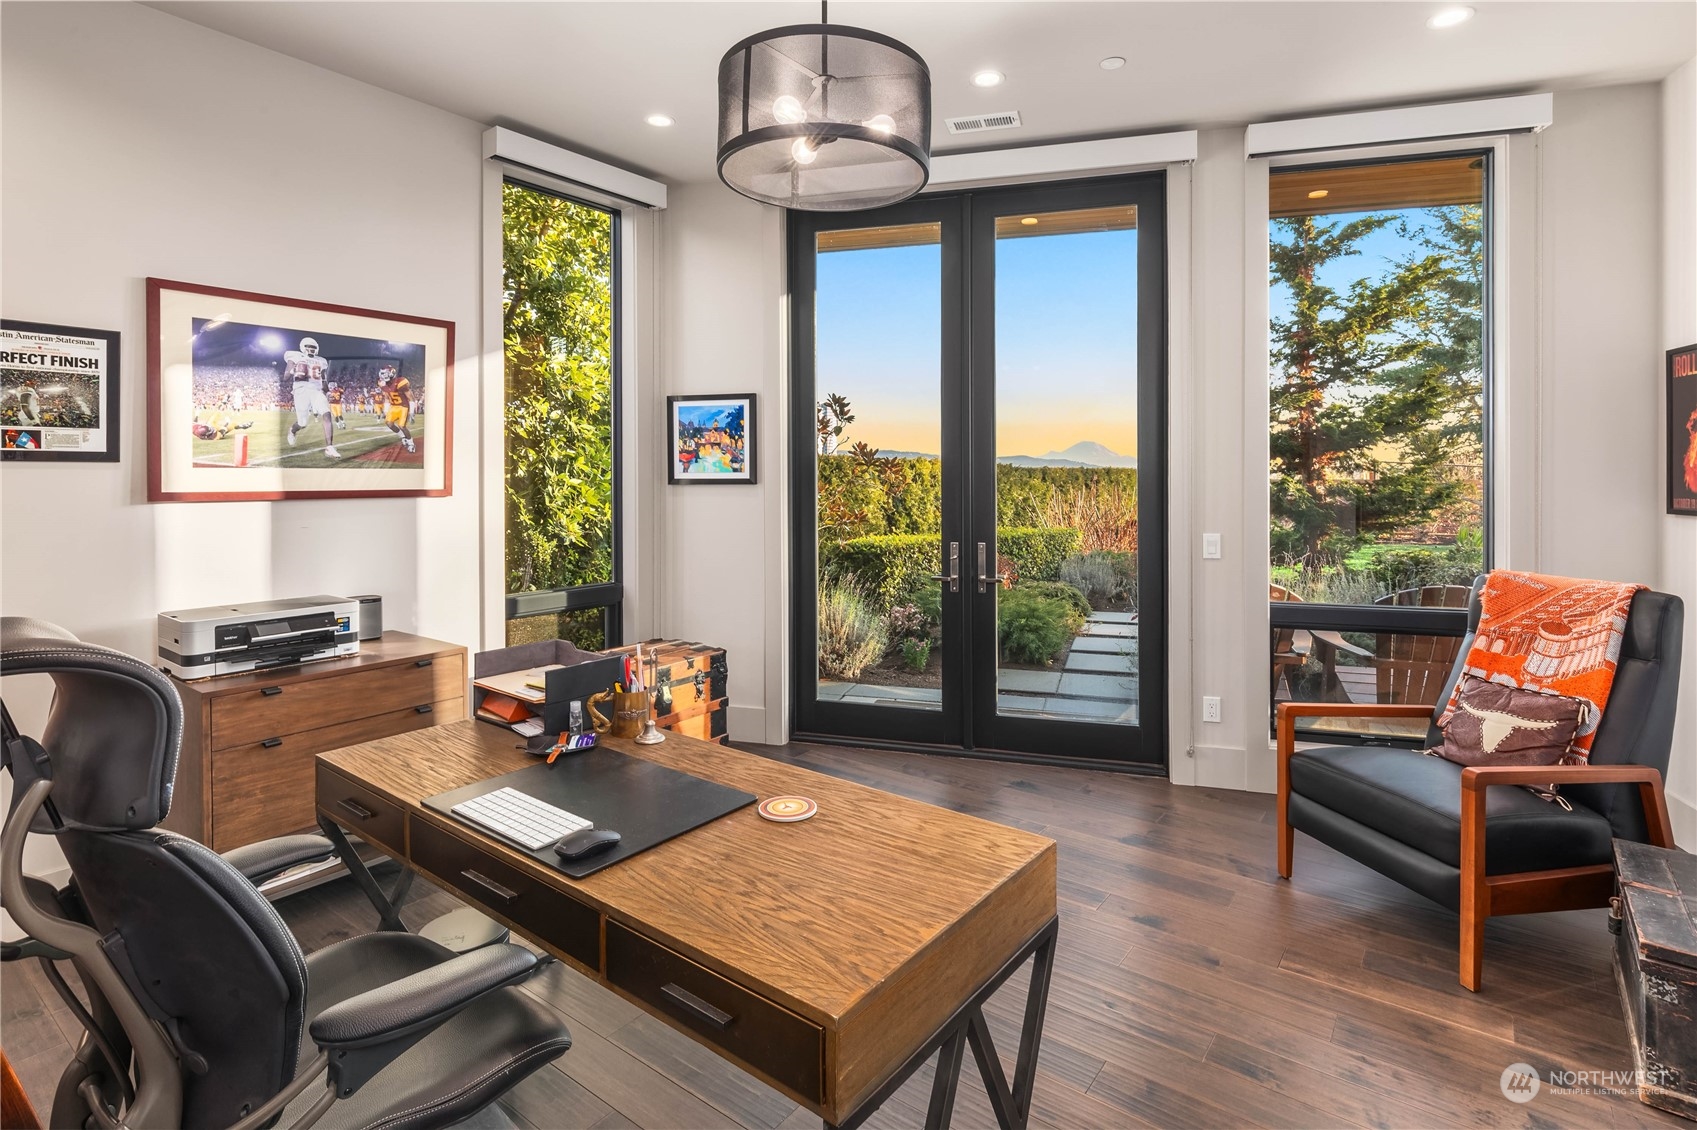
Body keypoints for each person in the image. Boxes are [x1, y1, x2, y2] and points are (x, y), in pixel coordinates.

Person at [283, 336, 340, 459]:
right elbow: (286, 377)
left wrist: (327, 392)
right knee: (302, 423)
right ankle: (292, 430)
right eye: (308, 347)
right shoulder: (295, 356)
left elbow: (323, 379)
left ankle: (329, 447)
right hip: (301, 390)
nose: (311, 349)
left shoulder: (322, 361)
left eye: (313, 347)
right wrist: (295, 369)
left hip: (316, 390)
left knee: (326, 413)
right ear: (303, 348)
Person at [379, 373, 416, 453]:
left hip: (403, 406)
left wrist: (412, 412)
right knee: (389, 423)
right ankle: (403, 437)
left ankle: (411, 443)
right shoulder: (383, 384)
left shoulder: (400, 382)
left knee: (402, 426)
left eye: (385, 373)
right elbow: (386, 398)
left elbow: (411, 398)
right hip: (393, 406)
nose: (383, 376)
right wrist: (385, 410)